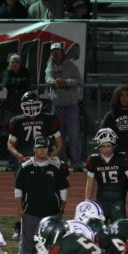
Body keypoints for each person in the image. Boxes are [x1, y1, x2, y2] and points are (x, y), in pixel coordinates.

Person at [15, 136, 69, 254]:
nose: (42, 150)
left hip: (52, 213)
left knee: (53, 244)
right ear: (34, 149)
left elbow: (63, 189)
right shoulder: (25, 167)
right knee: (28, 246)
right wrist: (20, 209)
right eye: (39, 147)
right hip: (31, 212)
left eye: (44, 147)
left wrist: (62, 207)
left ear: (48, 149)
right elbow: (18, 190)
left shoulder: (56, 166)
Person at [85, 128, 128, 223]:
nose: (106, 149)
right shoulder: (93, 160)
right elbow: (89, 184)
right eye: (103, 146)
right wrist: (87, 201)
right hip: (101, 201)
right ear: (98, 147)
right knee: (99, 228)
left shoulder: (122, 158)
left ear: (114, 146)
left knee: (119, 228)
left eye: (109, 146)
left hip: (117, 200)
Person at [45, 42, 83, 170]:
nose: (55, 53)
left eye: (57, 51)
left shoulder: (71, 66)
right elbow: (48, 78)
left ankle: (77, 164)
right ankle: (62, 163)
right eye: (53, 51)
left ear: (62, 52)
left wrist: (66, 82)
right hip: (56, 107)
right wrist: (54, 82)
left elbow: (79, 81)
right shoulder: (49, 66)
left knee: (74, 136)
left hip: (71, 107)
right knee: (58, 137)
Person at [7, 90, 64, 170]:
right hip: (25, 157)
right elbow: (10, 143)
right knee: (22, 177)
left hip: (44, 157)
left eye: (34, 105)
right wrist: (18, 156)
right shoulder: (17, 121)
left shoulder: (49, 119)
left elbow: (59, 142)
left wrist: (52, 155)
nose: (32, 108)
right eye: (29, 105)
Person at [0, 53, 32, 123]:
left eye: (16, 62)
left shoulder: (25, 71)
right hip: (11, 103)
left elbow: (27, 81)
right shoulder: (7, 72)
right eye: (12, 62)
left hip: (23, 103)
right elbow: (6, 83)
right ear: (9, 63)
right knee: (11, 123)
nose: (14, 64)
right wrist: (20, 82)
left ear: (20, 63)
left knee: (23, 123)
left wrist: (13, 81)